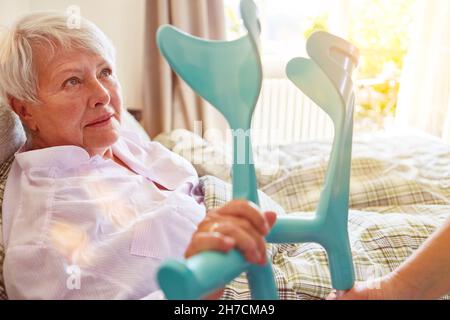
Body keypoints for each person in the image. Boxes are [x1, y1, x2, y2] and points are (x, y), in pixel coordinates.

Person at [0, 12, 276, 300]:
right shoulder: (46, 242)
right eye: (72, 81)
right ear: (25, 110)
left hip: (261, 234)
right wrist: (196, 290)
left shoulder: (108, 141)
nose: (102, 95)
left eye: (105, 72)